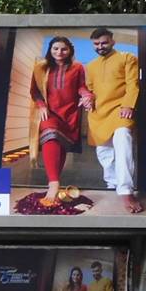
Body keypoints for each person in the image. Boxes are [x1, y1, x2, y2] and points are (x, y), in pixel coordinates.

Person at [30, 36, 94, 207]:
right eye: (56, 48)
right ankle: (53, 184)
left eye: (64, 49)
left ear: (70, 50)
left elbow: (81, 86)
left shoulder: (77, 67)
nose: (59, 52)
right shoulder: (40, 68)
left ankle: (54, 184)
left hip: (70, 113)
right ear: (50, 50)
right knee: (51, 135)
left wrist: (86, 95)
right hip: (49, 112)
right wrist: (42, 105)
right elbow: (35, 91)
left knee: (61, 146)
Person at [86, 27, 143, 214]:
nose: (100, 46)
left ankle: (126, 191)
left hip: (121, 109)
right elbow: (89, 89)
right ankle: (112, 186)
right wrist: (88, 99)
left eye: (104, 42)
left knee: (123, 139)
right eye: (96, 44)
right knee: (105, 153)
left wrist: (128, 105)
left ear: (112, 41)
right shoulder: (91, 66)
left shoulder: (127, 58)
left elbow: (133, 84)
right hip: (98, 113)